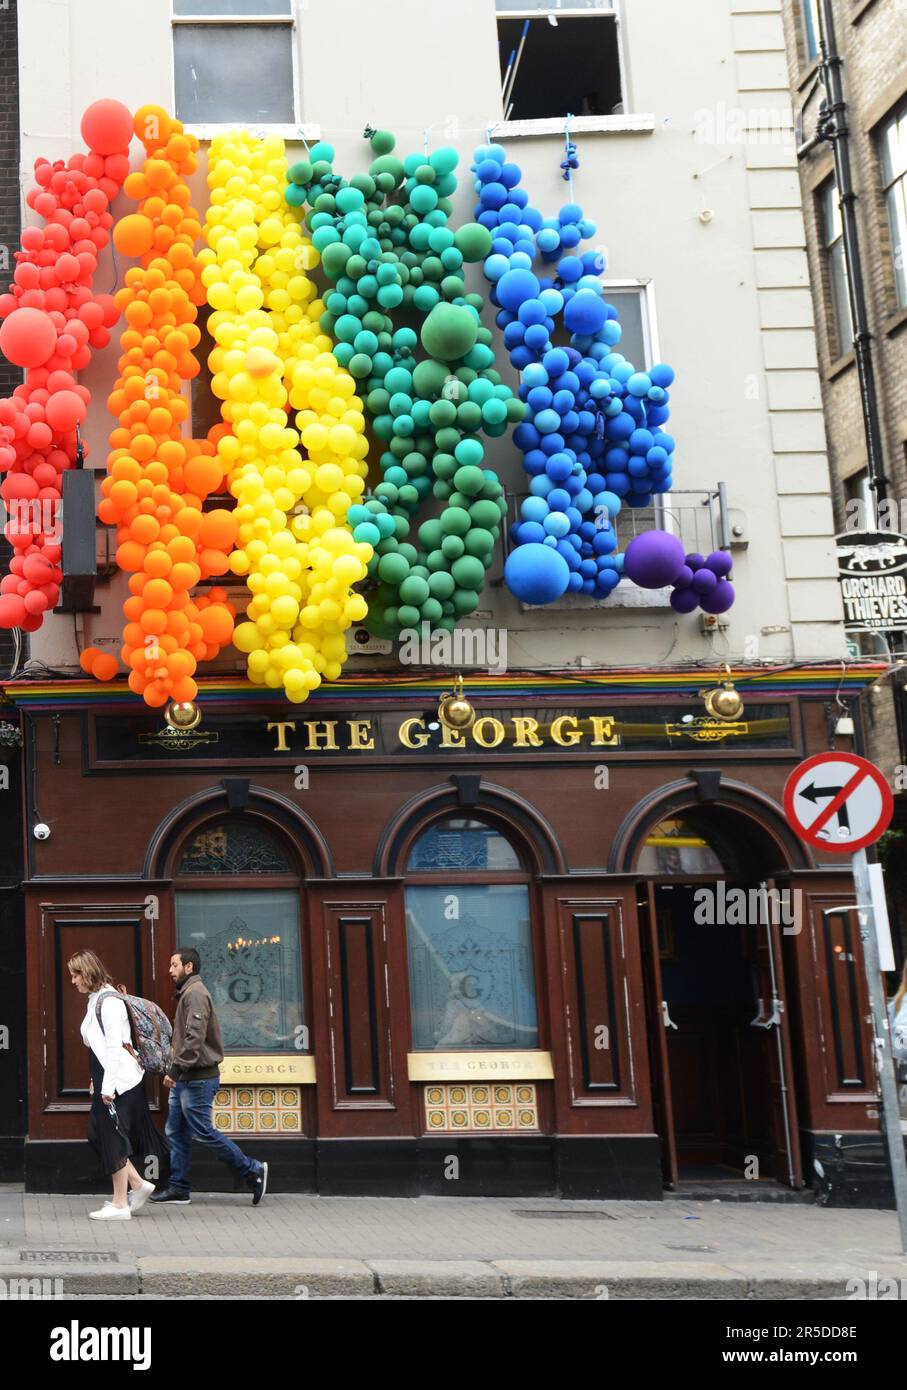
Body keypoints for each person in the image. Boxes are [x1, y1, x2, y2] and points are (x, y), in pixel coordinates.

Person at [150, 947, 267, 1206]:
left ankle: (252, 1169)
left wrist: (176, 1069)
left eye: (174, 965)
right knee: (176, 1132)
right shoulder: (188, 994)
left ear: (189, 967)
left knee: (203, 1131)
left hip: (198, 1078)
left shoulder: (195, 994)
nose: (170, 970)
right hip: (187, 1078)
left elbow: (194, 1037)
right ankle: (179, 1188)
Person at [69, 949, 168, 1221]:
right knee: (99, 1134)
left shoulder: (109, 1002)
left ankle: (120, 1203)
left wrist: (107, 1087)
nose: (73, 980)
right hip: (108, 1076)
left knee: (113, 1139)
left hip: (119, 1082)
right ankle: (137, 1184)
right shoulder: (96, 999)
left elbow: (114, 1047)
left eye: (76, 974)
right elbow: (100, 1046)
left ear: (88, 973)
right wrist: (96, 1077)